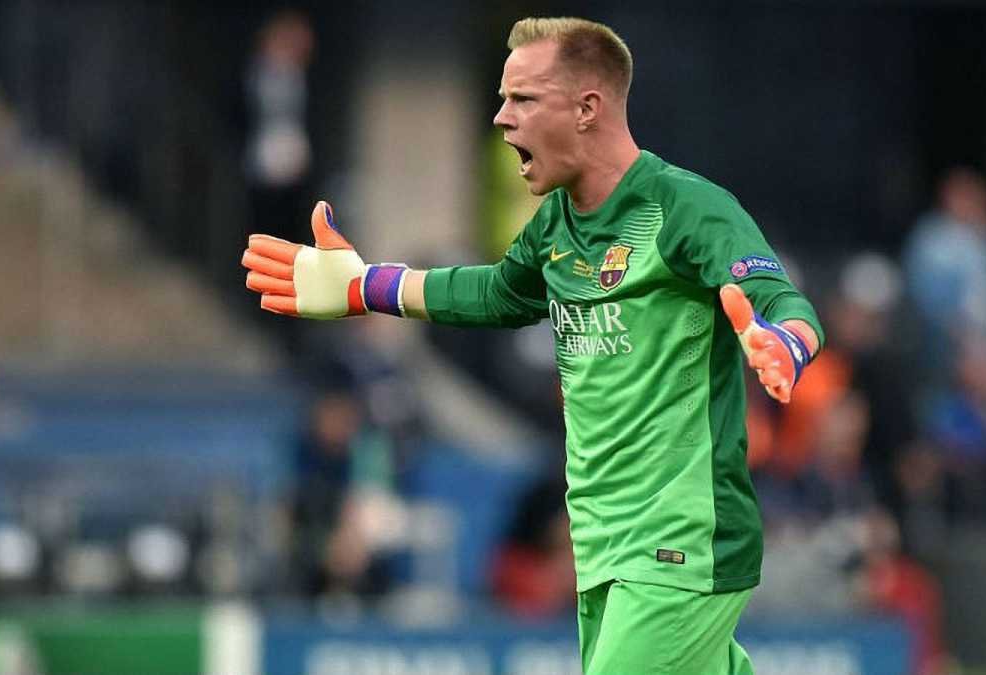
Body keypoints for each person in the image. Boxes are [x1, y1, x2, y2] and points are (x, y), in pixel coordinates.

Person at [242, 17, 823, 674]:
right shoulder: (557, 225)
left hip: (678, 546)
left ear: (586, 108)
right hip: (603, 547)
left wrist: (785, 342)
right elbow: (497, 292)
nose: (501, 118)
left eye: (522, 98)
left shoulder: (685, 207)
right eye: (502, 98)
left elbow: (781, 299)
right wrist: (364, 285)